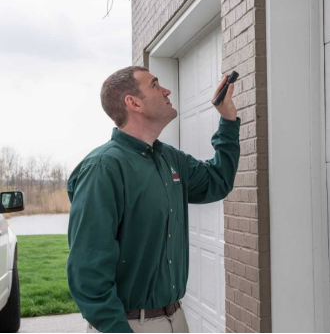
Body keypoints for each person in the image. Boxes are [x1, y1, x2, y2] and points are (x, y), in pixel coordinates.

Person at [66, 66, 240, 333]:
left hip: (176, 319)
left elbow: (217, 181)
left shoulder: (170, 159)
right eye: (156, 85)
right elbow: (88, 273)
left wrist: (228, 119)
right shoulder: (103, 168)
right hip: (130, 325)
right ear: (133, 102)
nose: (167, 90)